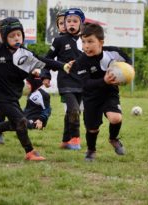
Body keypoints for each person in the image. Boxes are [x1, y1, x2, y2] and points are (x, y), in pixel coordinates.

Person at [0, 17, 71, 161]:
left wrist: (63, 66)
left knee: (19, 122)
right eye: (12, 36)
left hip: (13, 94)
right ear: (4, 37)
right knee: (21, 121)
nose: (16, 38)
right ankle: (30, 152)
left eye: (19, 35)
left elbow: (43, 61)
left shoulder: (24, 53)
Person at [69, 23, 132, 162]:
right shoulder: (81, 62)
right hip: (91, 97)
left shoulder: (113, 52)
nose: (86, 46)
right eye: (83, 42)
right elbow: (86, 84)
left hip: (110, 93)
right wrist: (104, 80)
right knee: (92, 129)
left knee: (116, 118)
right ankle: (91, 150)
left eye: (90, 41)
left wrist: (126, 75)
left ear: (101, 42)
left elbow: (127, 61)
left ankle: (113, 139)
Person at [45, 8, 85, 150]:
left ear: (81, 23)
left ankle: (65, 140)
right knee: (74, 110)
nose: (71, 24)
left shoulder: (86, 40)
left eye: (75, 21)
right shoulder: (59, 40)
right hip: (66, 82)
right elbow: (46, 59)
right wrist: (46, 75)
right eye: (68, 21)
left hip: (82, 82)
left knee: (71, 111)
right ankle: (75, 139)